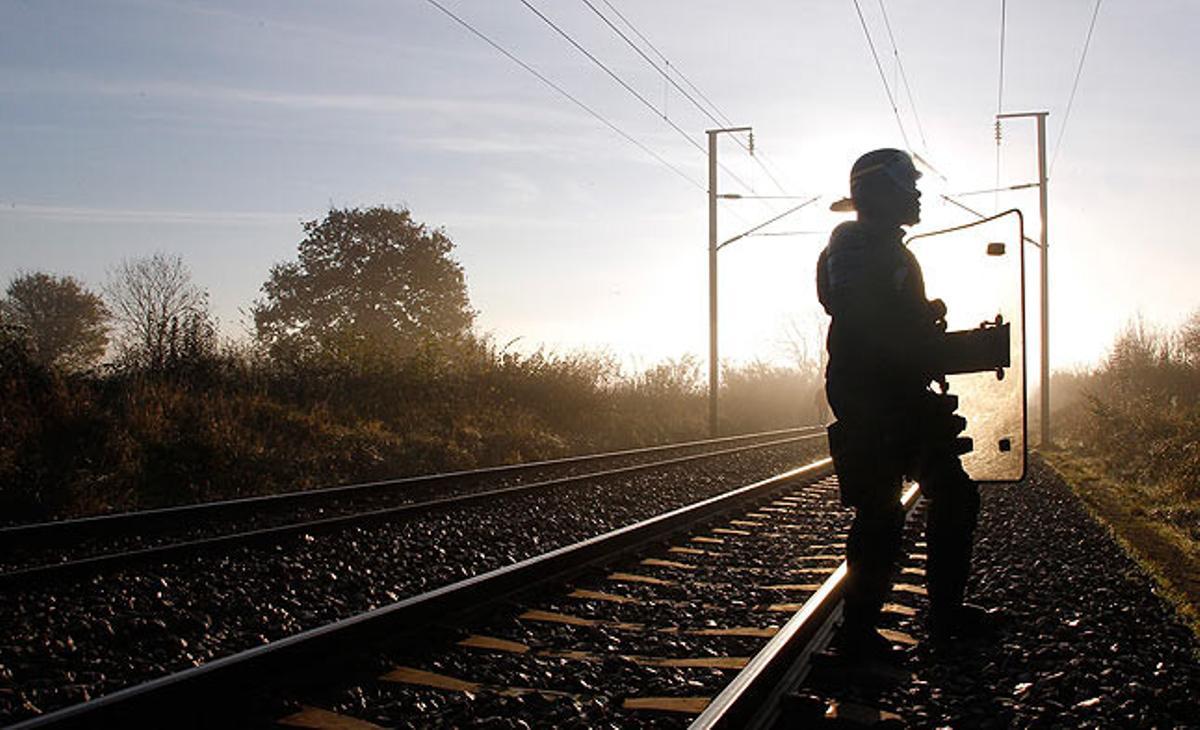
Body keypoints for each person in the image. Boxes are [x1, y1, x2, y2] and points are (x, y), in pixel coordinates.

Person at [816, 148, 995, 660]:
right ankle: (861, 632)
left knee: (940, 498)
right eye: (905, 184)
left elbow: (886, 320)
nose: (916, 194)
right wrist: (920, 328)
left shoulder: (881, 248)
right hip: (874, 396)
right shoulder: (852, 244)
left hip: (895, 393)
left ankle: (935, 617)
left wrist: (925, 324)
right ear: (878, 191)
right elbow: (864, 317)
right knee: (882, 511)